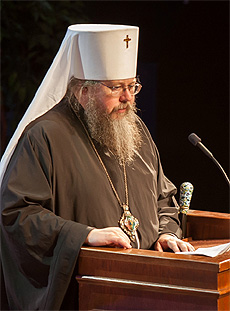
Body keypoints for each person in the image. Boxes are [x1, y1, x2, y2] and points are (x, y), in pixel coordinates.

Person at [0, 24, 194, 310]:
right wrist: (84, 235)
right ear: (83, 92)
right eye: (116, 88)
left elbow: (164, 198)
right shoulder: (45, 136)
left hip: (148, 289)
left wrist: (166, 233)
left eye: (132, 86)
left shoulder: (135, 130)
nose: (128, 98)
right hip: (86, 294)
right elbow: (17, 214)